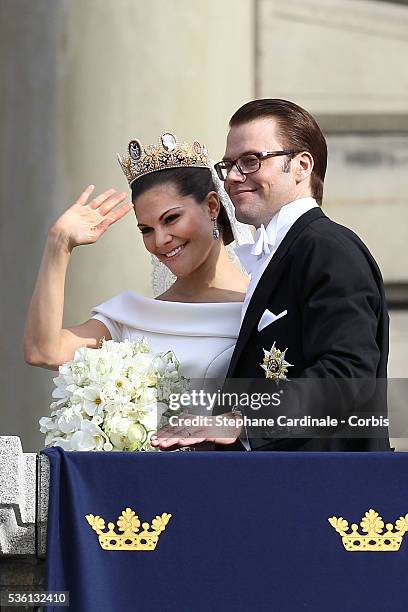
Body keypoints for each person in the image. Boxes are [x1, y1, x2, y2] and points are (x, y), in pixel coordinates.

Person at [155, 99, 390, 452]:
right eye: (229, 165)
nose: (233, 177)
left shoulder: (328, 248)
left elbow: (346, 375)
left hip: (322, 491)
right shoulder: (282, 252)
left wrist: (240, 421)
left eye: (251, 161)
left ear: (300, 166)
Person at [24, 133, 252, 404]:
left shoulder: (260, 308)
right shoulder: (132, 316)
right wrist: (59, 244)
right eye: (146, 230)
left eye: (171, 218)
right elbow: (43, 351)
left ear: (212, 206)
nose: (160, 240)